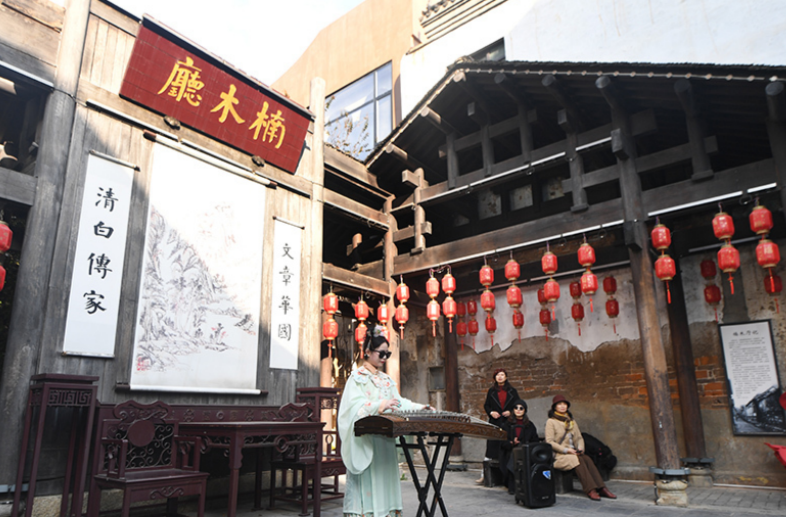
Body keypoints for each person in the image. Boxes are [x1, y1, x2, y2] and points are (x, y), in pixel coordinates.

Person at [338, 326, 431, 517]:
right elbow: (352, 406)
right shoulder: (356, 378)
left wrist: (418, 407)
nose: (384, 357)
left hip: (385, 439)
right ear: (367, 352)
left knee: (385, 476)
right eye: (381, 353)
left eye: (387, 354)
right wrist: (379, 405)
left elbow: (398, 402)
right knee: (368, 480)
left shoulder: (386, 379)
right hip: (367, 439)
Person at [545, 394, 617, 501]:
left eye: (564, 404)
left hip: (573, 453)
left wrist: (580, 448)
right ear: (554, 407)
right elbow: (549, 441)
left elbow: (579, 438)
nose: (562, 406)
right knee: (577, 460)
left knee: (586, 458)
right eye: (559, 404)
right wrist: (567, 450)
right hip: (559, 456)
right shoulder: (551, 422)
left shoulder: (571, 421)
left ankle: (602, 488)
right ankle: (590, 489)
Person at [476, 368, 520, 484]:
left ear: (506, 377)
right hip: (495, 422)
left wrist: (511, 412)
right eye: (498, 375)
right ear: (495, 378)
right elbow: (486, 405)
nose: (500, 377)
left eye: (502, 375)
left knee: (507, 446)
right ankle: (484, 475)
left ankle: (510, 475)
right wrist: (491, 412)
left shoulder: (512, 391)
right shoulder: (491, 391)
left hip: (508, 422)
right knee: (491, 447)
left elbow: (518, 404)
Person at [500, 399, 539, 494]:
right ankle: (513, 485)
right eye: (516, 408)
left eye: (521, 408)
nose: (518, 410)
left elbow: (535, 440)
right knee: (514, 456)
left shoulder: (530, 425)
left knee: (520, 455)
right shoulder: (506, 425)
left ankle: (519, 485)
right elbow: (502, 442)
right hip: (510, 450)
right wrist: (512, 443)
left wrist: (526, 445)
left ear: (524, 410)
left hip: (526, 451)